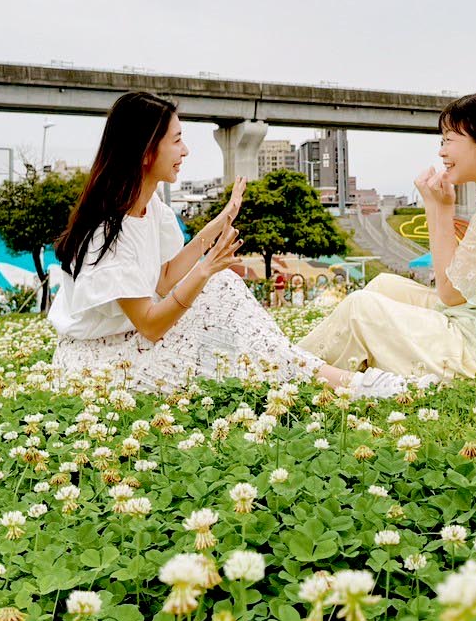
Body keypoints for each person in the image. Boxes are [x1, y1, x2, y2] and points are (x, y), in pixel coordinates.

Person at [47, 91, 408, 396]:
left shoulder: (151, 209)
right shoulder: (108, 232)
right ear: (145, 152)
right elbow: (151, 325)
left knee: (223, 290)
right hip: (99, 364)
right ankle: (336, 380)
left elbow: (164, 278)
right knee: (217, 290)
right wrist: (205, 269)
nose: (185, 150)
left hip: (129, 343)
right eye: (176, 140)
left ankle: (308, 370)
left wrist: (220, 223)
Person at [299, 91, 476, 387]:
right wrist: (444, 213)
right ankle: (311, 369)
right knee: (384, 286)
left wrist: (438, 208)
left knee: (359, 310)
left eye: (450, 140)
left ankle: (284, 369)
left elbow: (450, 294)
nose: (441, 152)